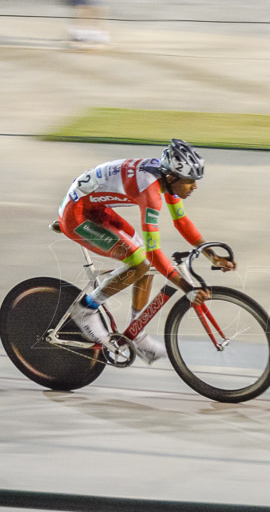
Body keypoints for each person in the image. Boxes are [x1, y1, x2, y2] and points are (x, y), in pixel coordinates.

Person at [57, 139, 236, 362]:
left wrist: (212, 255)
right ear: (173, 177)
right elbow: (154, 252)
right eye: (190, 181)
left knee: (145, 264)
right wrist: (185, 287)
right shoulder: (150, 192)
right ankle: (86, 308)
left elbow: (181, 221)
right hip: (77, 217)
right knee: (140, 261)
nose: (195, 186)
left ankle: (137, 335)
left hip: (95, 208)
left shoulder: (167, 179)